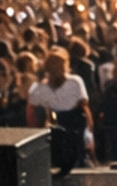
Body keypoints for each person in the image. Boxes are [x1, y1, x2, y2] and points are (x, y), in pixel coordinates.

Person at [26, 45, 92, 174]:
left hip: (73, 126)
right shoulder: (39, 88)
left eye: (59, 65)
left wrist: (89, 133)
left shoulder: (75, 82)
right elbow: (31, 111)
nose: (56, 69)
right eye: (53, 65)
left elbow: (84, 107)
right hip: (52, 128)